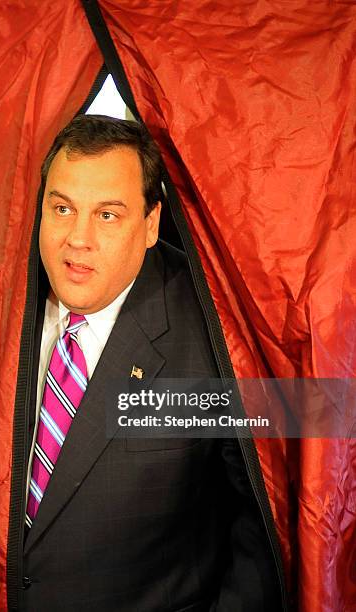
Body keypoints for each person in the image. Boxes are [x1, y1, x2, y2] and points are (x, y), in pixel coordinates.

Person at [21, 115, 285, 611]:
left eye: (107, 215)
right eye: (62, 208)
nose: (77, 239)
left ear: (150, 224)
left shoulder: (219, 329)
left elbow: (271, 518)